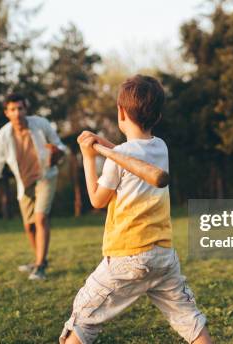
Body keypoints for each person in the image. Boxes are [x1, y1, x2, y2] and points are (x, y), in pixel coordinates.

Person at [60, 76, 212, 343]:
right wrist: (104, 144)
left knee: (84, 315)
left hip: (127, 255)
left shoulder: (119, 157)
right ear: (158, 115)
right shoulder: (160, 147)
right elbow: (128, 155)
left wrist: (88, 157)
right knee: (189, 318)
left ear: (120, 112)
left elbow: (97, 200)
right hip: (163, 255)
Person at [0, 94, 67, 280]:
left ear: (26, 109)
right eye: (13, 109)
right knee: (29, 227)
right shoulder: (3, 136)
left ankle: (40, 266)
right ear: (6, 112)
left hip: (46, 177)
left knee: (40, 218)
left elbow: (60, 146)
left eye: (20, 108)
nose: (17, 113)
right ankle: (40, 259)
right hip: (24, 184)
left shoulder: (41, 124)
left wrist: (57, 153)